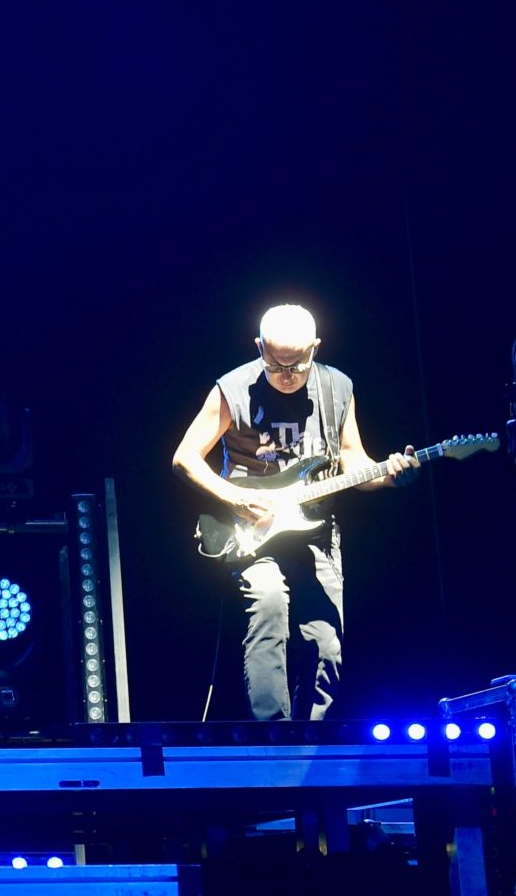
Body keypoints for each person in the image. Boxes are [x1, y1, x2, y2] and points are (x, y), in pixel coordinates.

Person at [171, 304, 418, 721]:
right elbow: (185, 457)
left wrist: (390, 477)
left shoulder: (337, 387)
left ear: (315, 348)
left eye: (297, 365)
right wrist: (235, 498)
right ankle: (275, 737)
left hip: (315, 532)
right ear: (259, 348)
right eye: (275, 365)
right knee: (269, 608)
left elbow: (353, 461)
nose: (287, 375)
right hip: (253, 529)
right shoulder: (234, 387)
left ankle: (312, 740)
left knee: (326, 641)